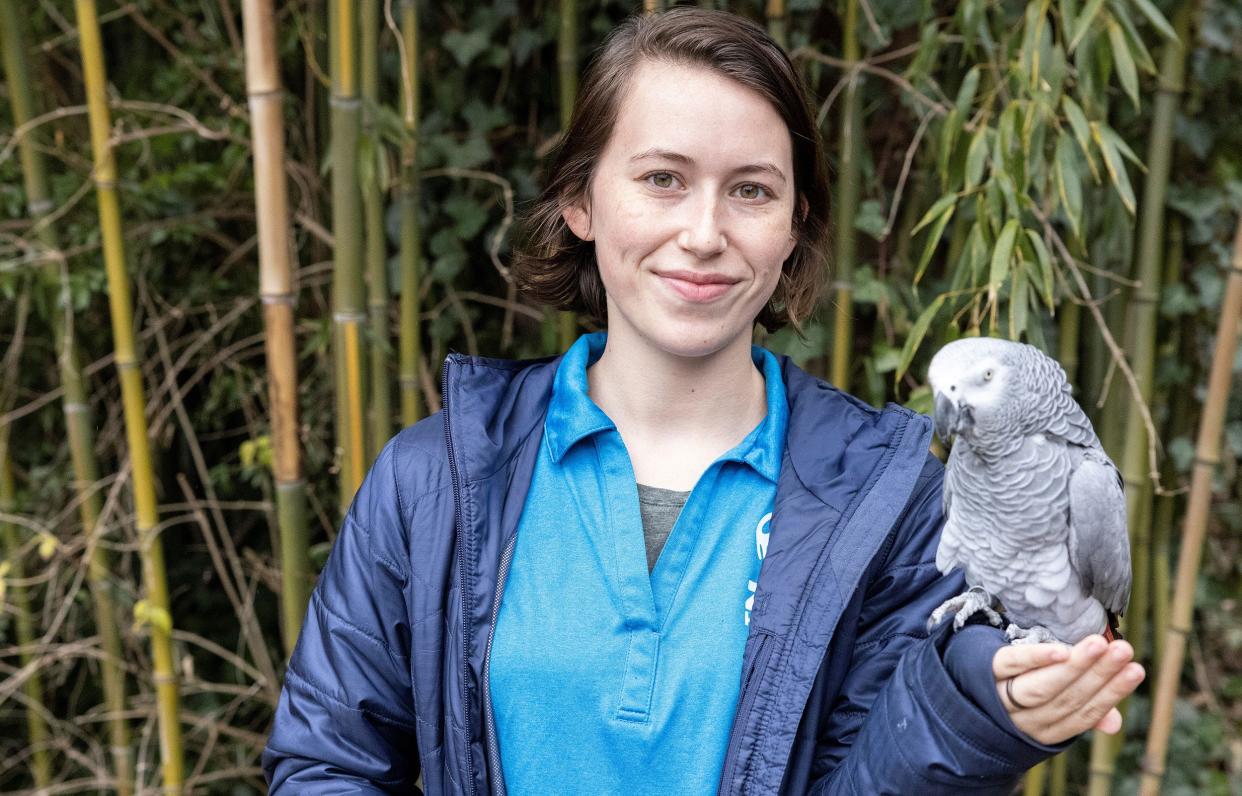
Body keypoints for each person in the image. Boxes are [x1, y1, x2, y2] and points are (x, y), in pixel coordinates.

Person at [263, 8, 1144, 794]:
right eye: (662, 179)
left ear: (795, 222)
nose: (705, 234)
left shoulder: (897, 500)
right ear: (579, 200)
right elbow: (326, 765)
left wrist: (973, 714)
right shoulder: (432, 481)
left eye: (752, 190)